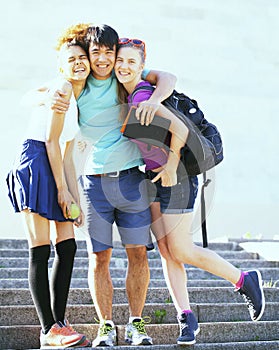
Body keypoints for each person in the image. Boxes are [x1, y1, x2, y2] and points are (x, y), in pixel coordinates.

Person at [114, 38, 266, 346]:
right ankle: (186, 317)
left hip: (177, 176)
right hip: (153, 177)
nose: (124, 67)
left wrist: (170, 165)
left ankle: (244, 279)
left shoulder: (143, 95)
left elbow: (180, 129)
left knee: (181, 250)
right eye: (121, 61)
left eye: (132, 62)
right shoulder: (128, 93)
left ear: (142, 66)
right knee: (168, 254)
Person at [50, 23, 177, 347]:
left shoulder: (123, 79)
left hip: (133, 179)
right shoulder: (79, 85)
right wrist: (48, 91)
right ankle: (105, 326)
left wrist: (155, 101)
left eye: (110, 52)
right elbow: (55, 85)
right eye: (97, 53)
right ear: (88, 56)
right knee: (99, 257)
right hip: (93, 184)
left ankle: (136, 324)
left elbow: (167, 79)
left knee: (138, 254)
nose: (104, 59)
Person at [6, 28, 92, 348]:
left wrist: (75, 196)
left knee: (67, 246)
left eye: (82, 57)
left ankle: (59, 321)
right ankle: (48, 329)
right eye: (70, 59)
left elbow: (68, 157)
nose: (78, 62)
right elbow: (51, 143)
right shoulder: (62, 87)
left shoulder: (79, 100)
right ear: (61, 66)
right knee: (41, 247)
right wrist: (62, 190)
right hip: (36, 160)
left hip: (55, 163)